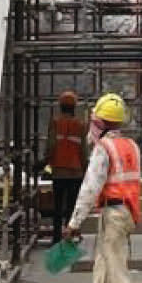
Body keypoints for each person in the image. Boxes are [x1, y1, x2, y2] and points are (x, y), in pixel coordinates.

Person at [62, 92, 142, 283]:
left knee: (118, 275)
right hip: (124, 212)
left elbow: (90, 187)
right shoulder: (131, 146)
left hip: (113, 214)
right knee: (102, 272)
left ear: (99, 123)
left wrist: (74, 223)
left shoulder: (104, 149)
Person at [44, 90, 87, 246]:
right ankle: (70, 236)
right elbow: (83, 150)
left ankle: (56, 237)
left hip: (59, 171)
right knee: (72, 206)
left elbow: (50, 145)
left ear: (60, 106)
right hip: (75, 172)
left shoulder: (55, 123)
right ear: (74, 107)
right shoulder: (80, 125)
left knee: (57, 206)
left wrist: (46, 161)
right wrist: (85, 167)